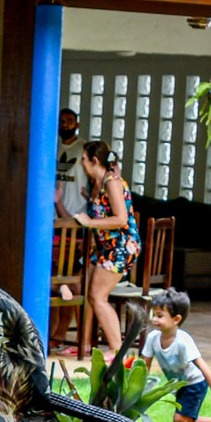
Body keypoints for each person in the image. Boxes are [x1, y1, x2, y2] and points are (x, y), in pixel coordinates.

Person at [68, 142, 139, 357]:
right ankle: (85, 344)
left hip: (119, 247)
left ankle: (118, 350)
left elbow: (120, 218)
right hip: (103, 246)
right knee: (85, 290)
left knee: (98, 296)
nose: (81, 162)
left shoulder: (112, 182)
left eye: (83, 158)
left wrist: (89, 222)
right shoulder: (96, 183)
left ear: (94, 161)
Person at [139, 288, 211, 422]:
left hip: (195, 383)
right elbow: (144, 364)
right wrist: (137, 386)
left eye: (160, 316)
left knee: (180, 420)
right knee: (186, 420)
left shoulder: (183, 341)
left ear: (176, 319)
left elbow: (202, 366)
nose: (155, 319)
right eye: (154, 315)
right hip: (180, 384)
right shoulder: (153, 338)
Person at [54, 109, 85, 217]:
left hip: (77, 212)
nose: (65, 125)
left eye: (69, 121)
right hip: (53, 213)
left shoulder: (84, 148)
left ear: (77, 125)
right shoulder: (52, 147)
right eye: (61, 121)